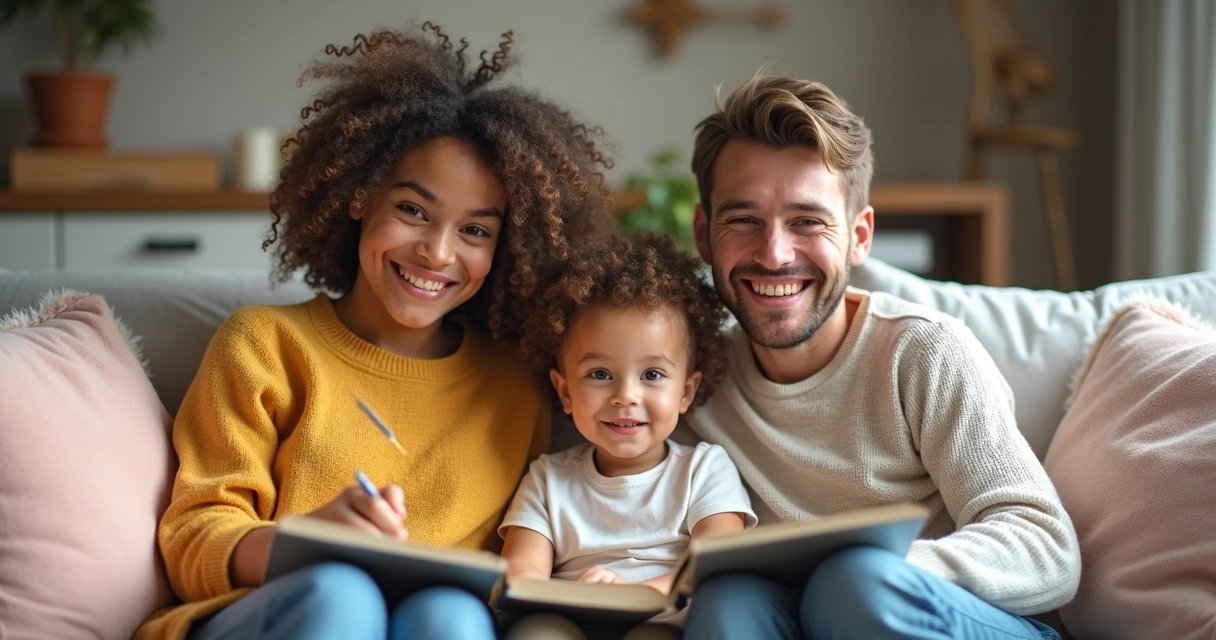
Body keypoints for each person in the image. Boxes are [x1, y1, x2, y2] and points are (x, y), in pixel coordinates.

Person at [136, 23, 614, 640]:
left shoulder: (515, 384)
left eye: (475, 231)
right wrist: (308, 542)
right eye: (413, 210)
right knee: (343, 595)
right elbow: (192, 541)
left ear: (506, 247)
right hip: (275, 613)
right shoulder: (264, 345)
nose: (437, 253)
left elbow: (519, 561)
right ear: (360, 195)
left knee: (456, 618)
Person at [679, 74, 1081, 639]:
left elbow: (1047, 549)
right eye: (743, 221)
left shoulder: (923, 351)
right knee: (728, 602)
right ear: (704, 234)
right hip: (804, 617)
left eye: (808, 221)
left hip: (949, 619)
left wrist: (885, 569)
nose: (773, 254)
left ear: (859, 237)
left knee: (855, 587)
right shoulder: (690, 372)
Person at [499, 234, 757, 640]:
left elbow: (715, 567)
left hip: (658, 622)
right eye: (600, 375)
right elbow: (520, 572)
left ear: (686, 392)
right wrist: (573, 597)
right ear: (565, 391)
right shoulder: (548, 478)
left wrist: (634, 595)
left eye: (652, 375)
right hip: (568, 618)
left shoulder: (705, 470)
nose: (625, 397)